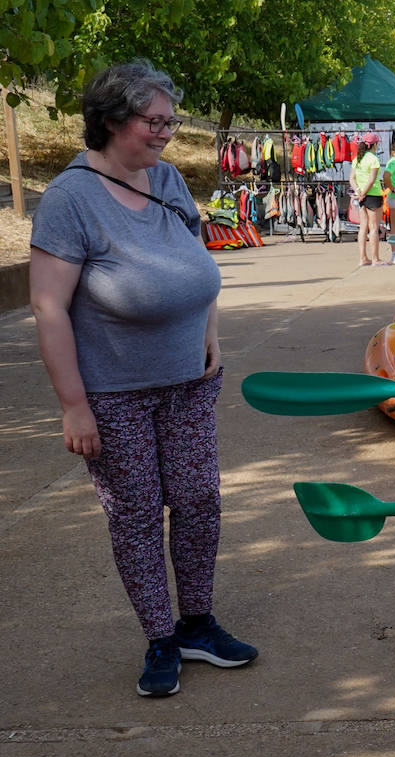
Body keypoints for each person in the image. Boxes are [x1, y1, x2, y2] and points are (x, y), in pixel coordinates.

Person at [28, 60, 257, 698]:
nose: (165, 133)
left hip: (189, 380)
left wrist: (209, 330)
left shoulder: (167, 179)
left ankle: (197, 623)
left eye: (170, 120)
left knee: (198, 505)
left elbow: (195, 257)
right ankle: (160, 637)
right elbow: (48, 307)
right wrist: (73, 406)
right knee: (135, 516)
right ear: (111, 120)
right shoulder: (70, 201)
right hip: (114, 394)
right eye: (153, 121)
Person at [351, 132, 384, 265]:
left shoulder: (357, 159)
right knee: (374, 228)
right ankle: (375, 258)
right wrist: (363, 193)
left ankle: (363, 258)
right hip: (373, 195)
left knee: (363, 227)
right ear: (375, 144)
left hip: (361, 196)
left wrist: (358, 192)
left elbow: (352, 178)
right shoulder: (373, 159)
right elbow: (372, 180)